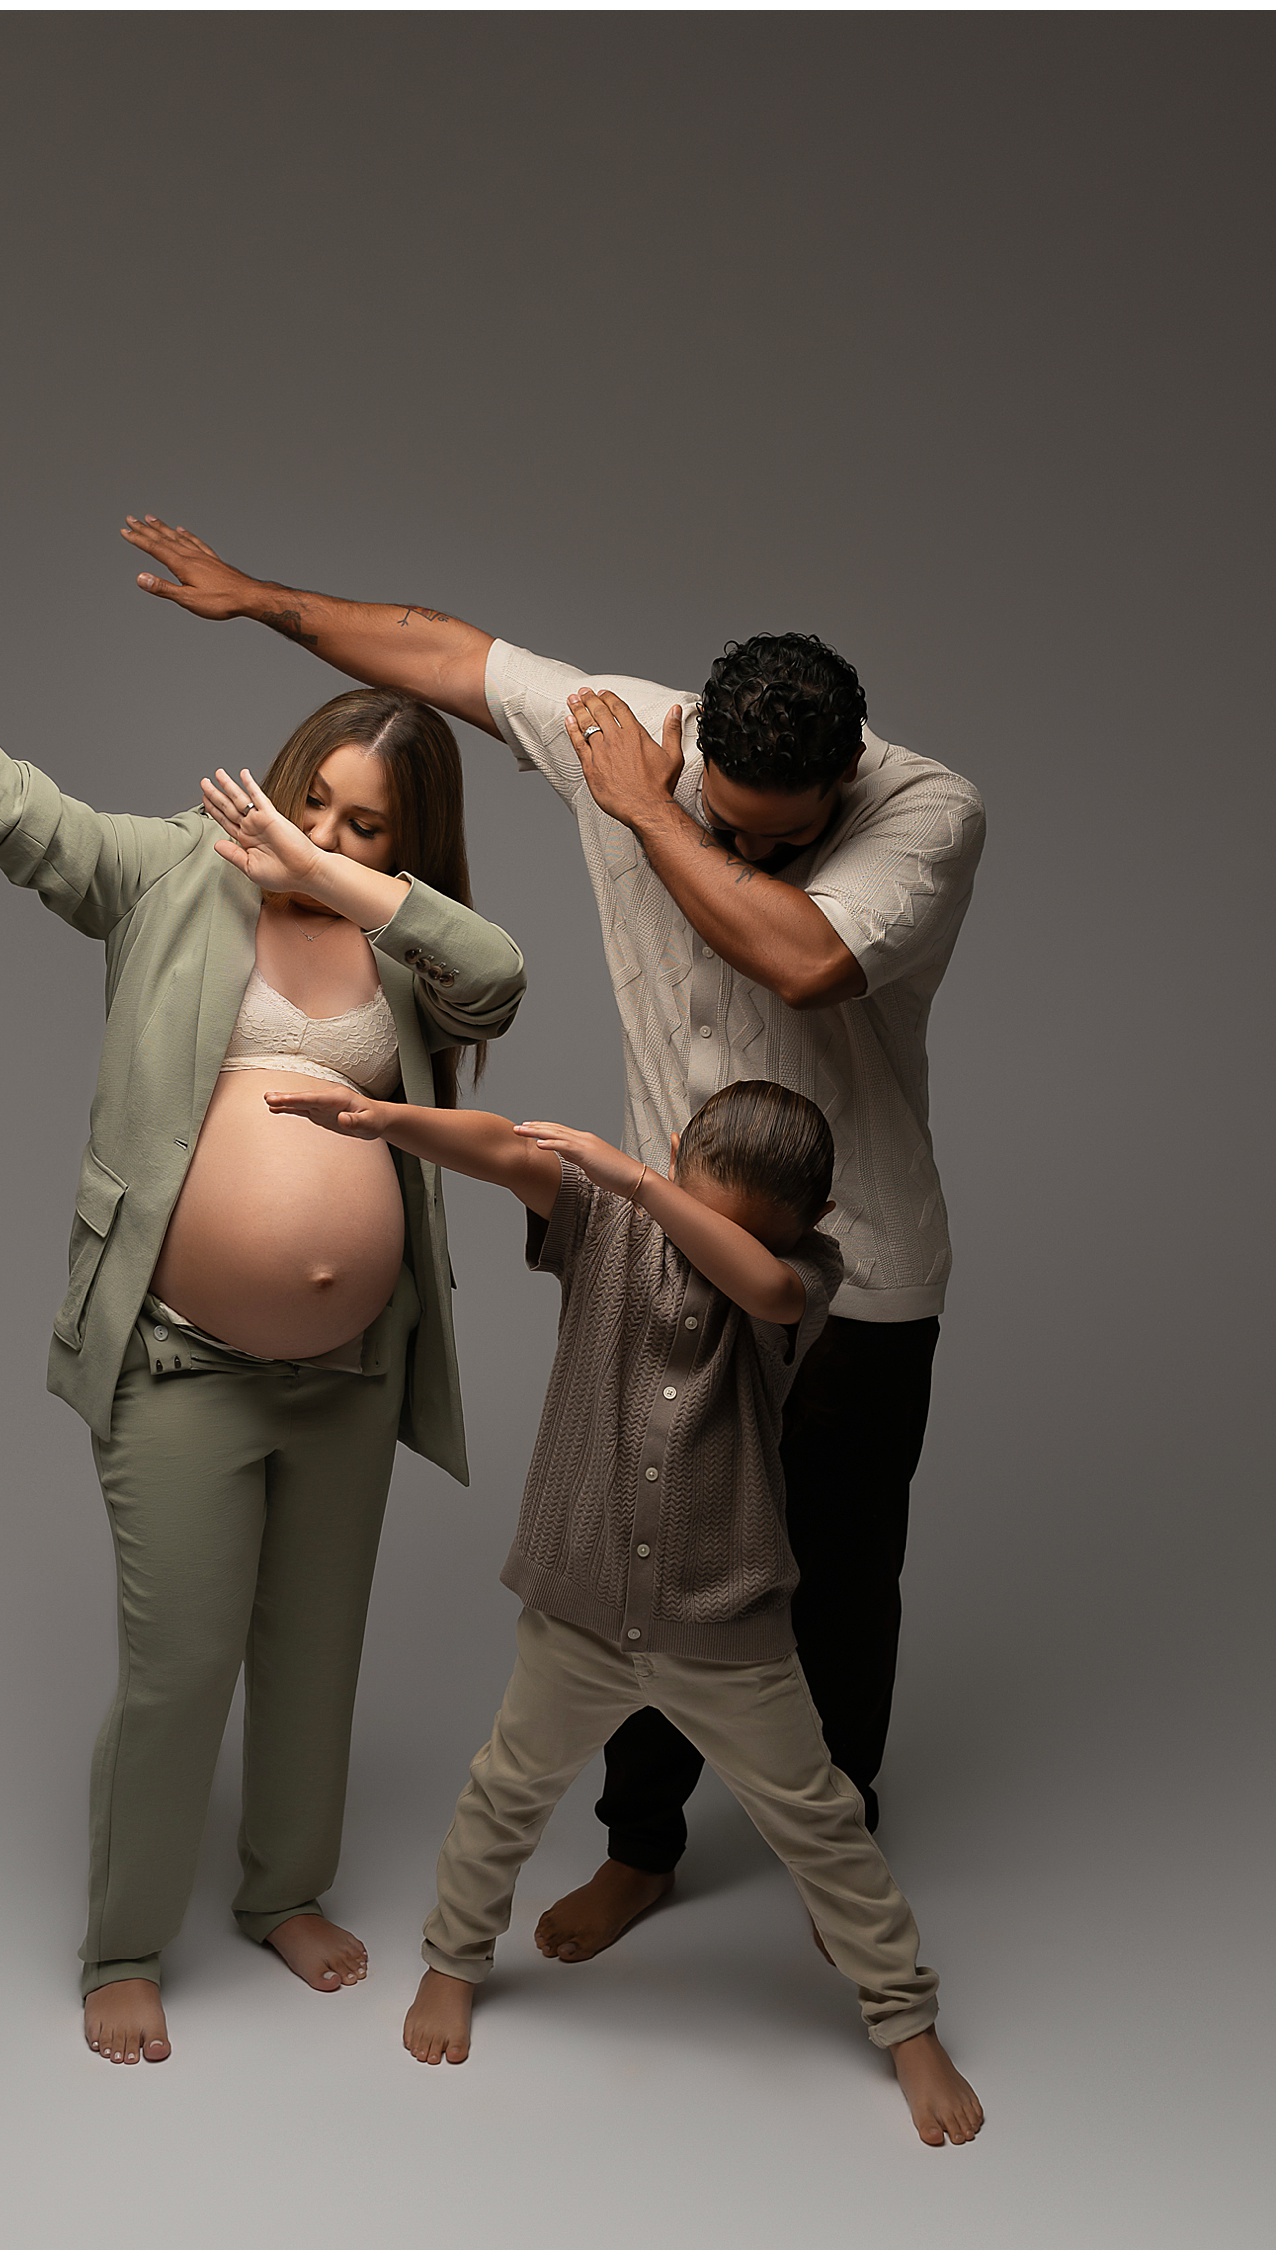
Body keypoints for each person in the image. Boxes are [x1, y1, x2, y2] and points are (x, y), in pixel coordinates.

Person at [117, 514, 986, 1957]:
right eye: (710, 808)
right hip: (661, 1242)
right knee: (654, 1546)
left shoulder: (926, 809)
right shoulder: (633, 730)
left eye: (766, 836)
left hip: (862, 1268)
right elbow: (439, 650)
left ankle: (839, 1856)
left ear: (843, 780)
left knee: (835, 1572)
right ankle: (639, 1849)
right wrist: (258, 597)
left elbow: (801, 959)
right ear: (696, 731)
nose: (721, 835)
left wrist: (645, 811)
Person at [0, 522, 526, 2068]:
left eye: (369, 827)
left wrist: (344, 892)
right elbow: (11, 812)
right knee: (177, 1668)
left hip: (354, 1370)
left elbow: (500, 975)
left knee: (317, 1651)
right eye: (315, 802)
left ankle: (282, 1892)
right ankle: (123, 1940)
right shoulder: (173, 875)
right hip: (182, 1363)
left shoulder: (405, 950)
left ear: (405, 843)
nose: (327, 835)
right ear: (283, 778)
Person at [267, 1074, 983, 2146]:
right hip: (583, 1604)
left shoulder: (799, 1270)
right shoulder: (601, 1217)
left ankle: (907, 2021)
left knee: (824, 1826)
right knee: (505, 1793)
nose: (702, 1239)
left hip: (724, 1623)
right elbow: (505, 1151)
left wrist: (644, 1182)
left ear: (807, 1228)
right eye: (698, 1199)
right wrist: (389, 1123)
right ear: (687, 1153)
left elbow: (768, 1291)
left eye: (738, 1225)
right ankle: (453, 1962)